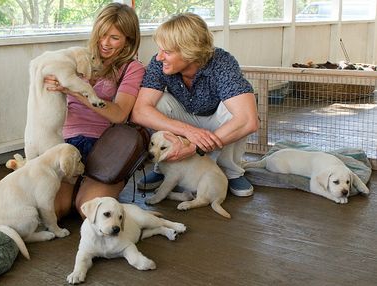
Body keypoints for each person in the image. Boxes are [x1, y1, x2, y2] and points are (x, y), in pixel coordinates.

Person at [131, 12, 259, 197]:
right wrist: (188, 132)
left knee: (238, 111)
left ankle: (231, 171)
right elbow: (139, 112)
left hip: (217, 121)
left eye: (167, 52)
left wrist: (194, 147)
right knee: (157, 102)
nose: (159, 57)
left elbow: (249, 121)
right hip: (185, 118)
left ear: (189, 51)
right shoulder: (159, 64)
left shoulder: (222, 63)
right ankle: (163, 167)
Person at [45, 3, 145, 219]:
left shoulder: (132, 68)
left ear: (129, 39)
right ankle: (77, 187)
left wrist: (76, 90)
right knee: (53, 211)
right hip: (66, 142)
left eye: (114, 38)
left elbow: (119, 114)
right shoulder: (77, 58)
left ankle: (92, 187)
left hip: (103, 149)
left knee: (89, 212)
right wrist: (51, 84)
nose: (104, 43)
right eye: (101, 34)